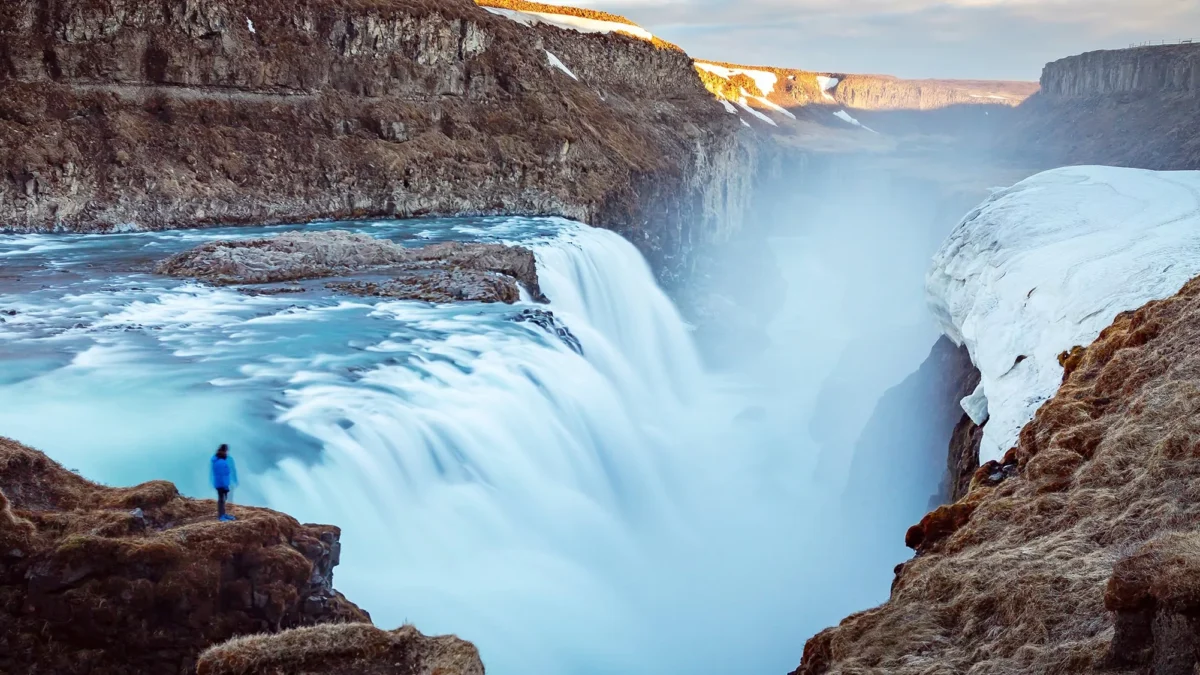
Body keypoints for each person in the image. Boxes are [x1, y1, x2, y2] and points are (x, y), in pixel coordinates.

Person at [210, 443, 239, 521]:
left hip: (221, 484)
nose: (227, 453)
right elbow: (221, 476)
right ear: (223, 451)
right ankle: (221, 516)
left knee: (222, 499)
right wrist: (224, 486)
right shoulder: (220, 462)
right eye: (226, 451)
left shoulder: (220, 460)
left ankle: (223, 514)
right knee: (221, 500)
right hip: (221, 485)